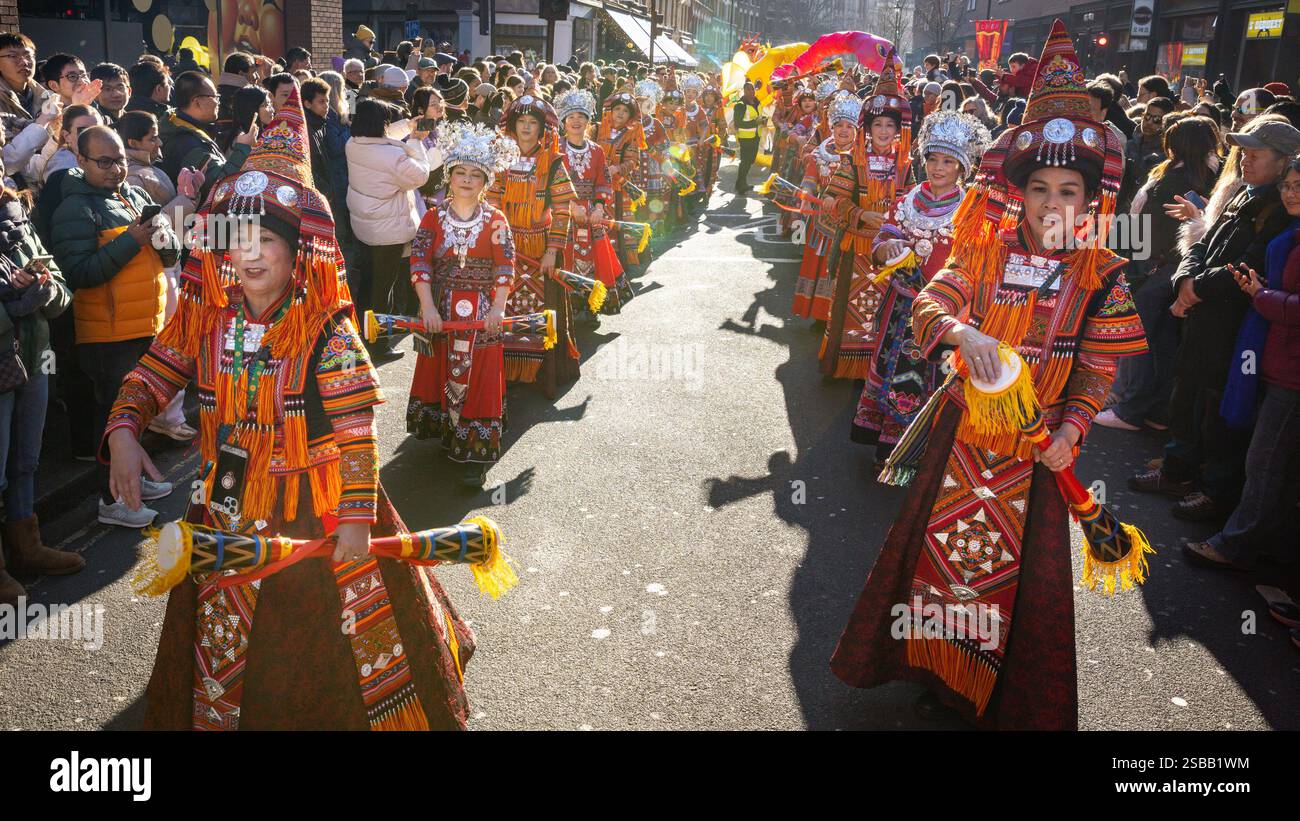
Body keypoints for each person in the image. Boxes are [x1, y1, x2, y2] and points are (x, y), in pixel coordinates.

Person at [104, 85, 474, 729]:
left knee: (332, 663)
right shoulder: (207, 321)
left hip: (318, 509)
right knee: (220, 661)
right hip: (226, 507)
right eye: (236, 240)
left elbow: (359, 433)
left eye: (264, 242)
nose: (248, 254)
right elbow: (156, 371)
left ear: (297, 250)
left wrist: (358, 521)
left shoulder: (326, 333)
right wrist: (125, 430)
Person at [831, 20, 1147, 729]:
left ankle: (999, 691)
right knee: (937, 562)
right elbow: (930, 305)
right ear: (1021, 191)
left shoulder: (1104, 275)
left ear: (1091, 199)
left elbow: (1098, 366)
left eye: (1070, 189)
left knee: (1018, 590)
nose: (1053, 203)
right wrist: (962, 329)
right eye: (1041, 187)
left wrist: (1074, 425)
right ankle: (935, 671)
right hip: (961, 437)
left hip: (1037, 461)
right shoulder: (982, 249)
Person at [1130, 117, 1297, 521]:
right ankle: (1178, 466)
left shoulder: (1281, 205)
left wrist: (1196, 288)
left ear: (1283, 161)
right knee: (1187, 390)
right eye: (1245, 153)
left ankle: (1215, 488)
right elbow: (1203, 241)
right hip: (1203, 311)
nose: (1246, 161)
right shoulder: (1244, 194)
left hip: (1233, 320)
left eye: (1257, 155)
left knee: (1220, 406)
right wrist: (1186, 277)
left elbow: (1251, 263)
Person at [50, 125, 181, 527]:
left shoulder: (134, 194)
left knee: (135, 412)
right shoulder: (73, 208)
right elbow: (79, 272)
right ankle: (113, 500)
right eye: (103, 162)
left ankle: (134, 480)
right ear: (81, 161)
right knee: (112, 416)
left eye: (120, 159)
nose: (114, 169)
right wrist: (133, 240)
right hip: (107, 334)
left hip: (145, 323)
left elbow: (171, 253)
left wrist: (162, 237)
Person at [849, 110, 990, 467]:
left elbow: (977, 259)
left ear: (962, 168)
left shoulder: (971, 210)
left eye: (947, 161)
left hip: (944, 312)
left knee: (934, 372)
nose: (938, 167)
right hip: (900, 306)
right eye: (932, 159)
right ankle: (888, 440)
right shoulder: (908, 199)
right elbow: (883, 238)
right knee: (892, 364)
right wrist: (887, 249)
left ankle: (924, 446)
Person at [1181, 156, 1300, 571]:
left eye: (1298, 185)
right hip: (1276, 358)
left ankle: (1236, 546)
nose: (1290, 192)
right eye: (1288, 184)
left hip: (1289, 368)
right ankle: (1261, 546)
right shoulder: (1282, 221)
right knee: (1269, 461)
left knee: (1264, 462)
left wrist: (1260, 296)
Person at [407, 122, 518, 487]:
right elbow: (420, 261)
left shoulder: (496, 219)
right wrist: (427, 307)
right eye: (460, 173)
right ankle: (452, 432)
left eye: (475, 174)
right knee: (444, 372)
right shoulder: (432, 216)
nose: (467, 180)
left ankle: (476, 453)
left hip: (483, 312)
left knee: (481, 377)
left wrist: (498, 309)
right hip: (441, 307)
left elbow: (505, 265)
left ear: (485, 182)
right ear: (449, 177)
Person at [1097, 115, 1222, 433]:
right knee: (1161, 338)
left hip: (1163, 265)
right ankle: (1155, 409)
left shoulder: (1193, 180)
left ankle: (1130, 409)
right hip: (1152, 261)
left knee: (1138, 334)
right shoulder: (1182, 172)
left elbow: (1174, 227)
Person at [0, 168, 81, 607]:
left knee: (26, 460)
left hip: (34, 354)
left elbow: (62, 287)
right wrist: (13, 306)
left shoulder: (16, 216)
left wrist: (46, 295)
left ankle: (27, 548)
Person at [821, 56, 912, 380]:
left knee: (886, 316)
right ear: (868, 128)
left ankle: (878, 373)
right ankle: (848, 367)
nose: (885, 131)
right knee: (852, 312)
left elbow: (914, 203)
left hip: (892, 256)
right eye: (878, 125)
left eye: (890, 125)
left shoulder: (907, 165)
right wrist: (861, 213)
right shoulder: (852, 161)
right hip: (857, 251)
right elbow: (831, 200)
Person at [116, 109, 201, 442]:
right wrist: (187, 198)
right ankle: (164, 416)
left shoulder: (145, 172)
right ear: (133, 142)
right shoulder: (136, 177)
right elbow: (156, 227)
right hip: (156, 269)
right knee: (166, 343)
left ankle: (168, 414)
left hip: (168, 263)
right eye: (152, 137)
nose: (158, 141)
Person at [489, 93, 579, 396]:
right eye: (521, 121)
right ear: (512, 125)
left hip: (541, 248)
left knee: (543, 311)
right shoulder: (500, 159)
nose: (526, 128)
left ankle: (542, 372)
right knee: (505, 307)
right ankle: (507, 370)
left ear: (542, 129)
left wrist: (553, 251)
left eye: (532, 122)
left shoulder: (553, 162)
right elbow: (489, 202)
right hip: (504, 245)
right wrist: (494, 244)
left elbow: (563, 210)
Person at [345, 98, 432, 358]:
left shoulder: (353, 144)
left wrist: (407, 126)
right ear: (381, 124)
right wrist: (416, 141)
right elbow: (421, 175)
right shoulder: (393, 156)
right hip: (388, 230)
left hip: (365, 225)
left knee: (369, 284)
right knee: (383, 290)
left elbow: (380, 137)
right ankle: (379, 344)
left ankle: (361, 335)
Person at [555, 88, 629, 315]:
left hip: (592, 214)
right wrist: (570, 205)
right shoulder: (555, 149)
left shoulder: (596, 151)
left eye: (581, 117)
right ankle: (567, 306)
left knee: (596, 256)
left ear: (588, 121)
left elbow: (603, 182)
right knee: (564, 255)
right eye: (571, 117)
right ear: (563, 122)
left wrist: (599, 208)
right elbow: (549, 184)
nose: (576, 121)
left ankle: (592, 306)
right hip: (562, 213)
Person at [791, 94, 860, 323]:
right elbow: (810, 180)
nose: (843, 130)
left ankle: (836, 317)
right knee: (819, 268)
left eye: (849, 126)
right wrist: (806, 194)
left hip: (848, 226)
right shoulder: (820, 153)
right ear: (831, 127)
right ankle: (820, 316)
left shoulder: (861, 158)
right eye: (838, 125)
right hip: (821, 224)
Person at [159, 72, 255, 200]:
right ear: (197, 102)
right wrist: (243, 148)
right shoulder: (186, 143)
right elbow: (220, 186)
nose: (218, 102)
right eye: (215, 97)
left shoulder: (185, 128)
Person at [596, 91, 646, 271]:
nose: (620, 113)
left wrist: (617, 168)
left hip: (618, 187)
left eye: (625, 111)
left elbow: (633, 161)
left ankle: (620, 260)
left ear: (630, 116)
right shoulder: (596, 129)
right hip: (596, 185)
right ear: (610, 110)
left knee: (618, 221)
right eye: (617, 109)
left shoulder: (631, 134)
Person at [217, 83, 272, 153]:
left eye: (270, 104)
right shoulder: (241, 141)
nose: (272, 110)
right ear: (251, 109)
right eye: (266, 105)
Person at [732, 82, 762, 194]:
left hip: (756, 136)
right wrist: (755, 122)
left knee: (750, 161)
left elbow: (757, 116)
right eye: (748, 90)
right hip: (745, 138)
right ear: (744, 91)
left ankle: (741, 182)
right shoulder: (740, 105)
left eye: (752, 89)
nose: (751, 92)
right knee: (745, 161)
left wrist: (762, 120)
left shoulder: (757, 102)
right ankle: (741, 185)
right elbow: (738, 123)